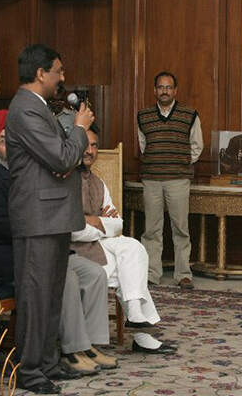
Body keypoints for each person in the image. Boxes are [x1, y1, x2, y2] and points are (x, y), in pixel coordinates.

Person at [0, 110, 117, 378]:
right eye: (3, 140)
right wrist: (46, 224)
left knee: (94, 273)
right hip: (13, 256)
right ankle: (73, 351)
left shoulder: (26, 173)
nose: (11, 145)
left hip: (47, 248)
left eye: (13, 139)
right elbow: (6, 228)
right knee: (67, 277)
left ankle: (91, 345)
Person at [6, 44, 92, 394]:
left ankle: (47, 363)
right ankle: (30, 371)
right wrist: (80, 128)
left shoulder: (40, 107)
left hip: (52, 215)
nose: (62, 78)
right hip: (38, 217)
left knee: (52, 295)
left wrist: (65, 156)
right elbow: (62, 158)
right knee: (36, 297)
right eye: (58, 71)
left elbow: (62, 159)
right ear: (41, 73)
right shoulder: (25, 109)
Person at [70, 124, 177, 354]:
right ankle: (141, 334)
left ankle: (136, 316)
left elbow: (118, 223)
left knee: (133, 247)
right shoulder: (64, 181)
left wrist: (93, 221)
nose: (90, 151)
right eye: (85, 145)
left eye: (94, 145)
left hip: (97, 246)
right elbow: (73, 231)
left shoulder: (98, 183)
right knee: (128, 271)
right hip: (72, 251)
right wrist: (101, 222)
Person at [137, 71, 203, 289]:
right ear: (155, 90)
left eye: (168, 87)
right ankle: (151, 273)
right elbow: (143, 146)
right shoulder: (143, 116)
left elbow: (197, 146)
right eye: (160, 87)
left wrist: (181, 163)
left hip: (178, 180)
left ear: (175, 91)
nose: (164, 91)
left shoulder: (189, 114)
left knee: (180, 229)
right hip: (152, 180)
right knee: (151, 230)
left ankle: (183, 274)